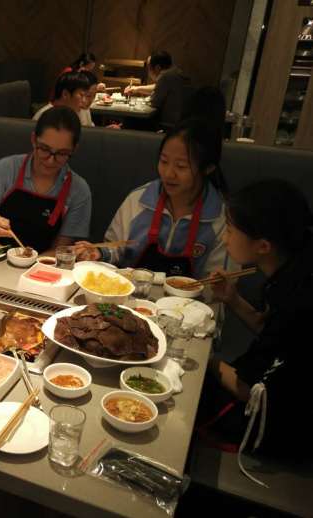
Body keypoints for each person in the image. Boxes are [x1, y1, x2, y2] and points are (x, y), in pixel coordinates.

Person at [199, 179, 313, 473]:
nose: (225, 237)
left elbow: (248, 389)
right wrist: (233, 299)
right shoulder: (293, 269)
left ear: (263, 246)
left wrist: (206, 359)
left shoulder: (298, 301)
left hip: (282, 426)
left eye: (230, 229)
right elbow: (273, 334)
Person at [76, 118, 228, 278]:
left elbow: (217, 282)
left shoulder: (221, 219)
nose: (168, 174)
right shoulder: (139, 200)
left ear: (208, 168)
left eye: (181, 166)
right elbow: (116, 247)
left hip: (190, 295)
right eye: (164, 161)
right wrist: (99, 253)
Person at [0, 106, 92, 253]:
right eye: (44, 149)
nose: (50, 160)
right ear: (34, 140)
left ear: (74, 149)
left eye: (62, 153)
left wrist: (32, 264)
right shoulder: (5, 168)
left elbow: (60, 249)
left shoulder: (79, 190)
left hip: (43, 263)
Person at [34, 71, 120, 129]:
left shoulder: (69, 113)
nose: (84, 101)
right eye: (81, 95)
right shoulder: (46, 117)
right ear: (65, 94)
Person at [125, 51, 189, 127]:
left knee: (129, 121)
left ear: (157, 68)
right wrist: (136, 89)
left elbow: (154, 102)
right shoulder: (175, 72)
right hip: (180, 123)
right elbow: (158, 87)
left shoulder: (165, 76)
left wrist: (144, 100)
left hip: (167, 124)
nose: (149, 71)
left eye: (149, 68)